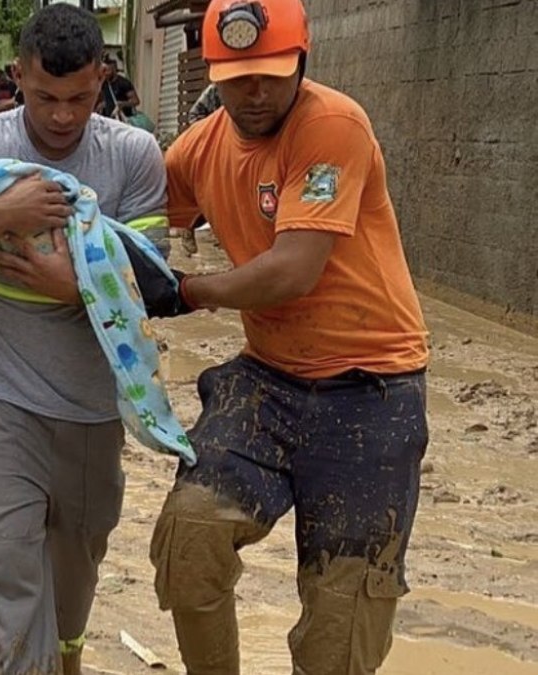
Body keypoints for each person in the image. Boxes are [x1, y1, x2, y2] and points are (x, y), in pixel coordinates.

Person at [148, 1, 430, 673]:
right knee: (189, 537)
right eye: (237, 76)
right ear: (213, 72)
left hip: (372, 391)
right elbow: (136, 226)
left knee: (342, 629)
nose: (255, 92)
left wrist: (190, 290)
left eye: (271, 74)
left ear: (303, 59)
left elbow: (293, 270)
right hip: (268, 379)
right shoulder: (198, 149)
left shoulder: (333, 126)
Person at [0, 4, 170, 672]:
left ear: (103, 79)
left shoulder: (133, 154)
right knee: (7, 583)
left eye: (80, 98)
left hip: (94, 412)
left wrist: (78, 286)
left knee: (75, 576)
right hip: (0, 401)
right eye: (44, 97)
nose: (62, 116)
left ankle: (66, 657)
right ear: (18, 76)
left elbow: (154, 282)